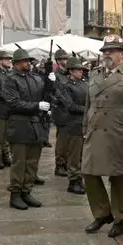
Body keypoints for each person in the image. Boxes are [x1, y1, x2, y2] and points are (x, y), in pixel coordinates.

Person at [83, 34, 123, 238]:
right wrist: (85, 128)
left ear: (121, 53)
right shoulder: (94, 74)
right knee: (89, 172)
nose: (107, 55)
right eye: (105, 51)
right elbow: (88, 104)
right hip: (95, 130)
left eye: (111, 51)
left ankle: (120, 218)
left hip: (119, 131)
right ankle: (102, 213)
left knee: (120, 176)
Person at [2, 49, 48, 209]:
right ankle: (15, 194)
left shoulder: (35, 78)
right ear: (15, 64)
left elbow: (44, 92)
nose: (28, 63)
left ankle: (26, 191)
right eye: (24, 61)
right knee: (19, 162)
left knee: (32, 162)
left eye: (28, 61)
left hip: (35, 125)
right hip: (19, 125)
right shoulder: (10, 80)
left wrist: (50, 80)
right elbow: (13, 102)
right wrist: (37, 106)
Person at [56, 56, 87, 194]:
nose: (81, 72)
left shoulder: (84, 84)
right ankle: (73, 180)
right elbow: (69, 105)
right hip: (73, 123)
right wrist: (86, 110)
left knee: (81, 154)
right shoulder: (66, 86)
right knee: (74, 154)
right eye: (78, 70)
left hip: (84, 123)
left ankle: (79, 179)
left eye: (81, 70)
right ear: (71, 71)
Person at [51, 48, 70, 177]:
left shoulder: (68, 74)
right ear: (58, 61)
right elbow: (56, 93)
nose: (66, 61)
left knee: (69, 141)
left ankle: (68, 163)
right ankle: (60, 165)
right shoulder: (55, 76)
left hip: (70, 112)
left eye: (66, 58)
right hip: (61, 111)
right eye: (63, 59)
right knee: (62, 141)